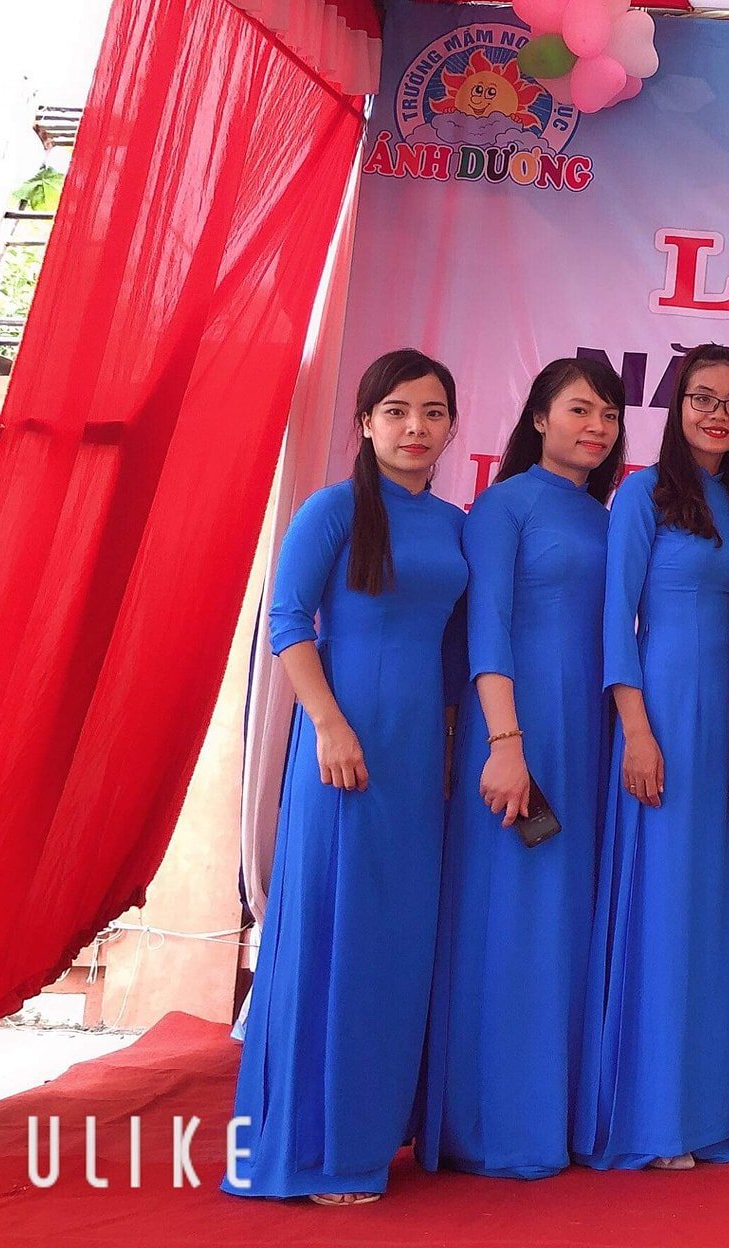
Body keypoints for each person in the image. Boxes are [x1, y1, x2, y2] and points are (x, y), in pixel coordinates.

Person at [225, 350, 467, 1204]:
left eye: (432, 412)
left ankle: (370, 1133)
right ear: (366, 423)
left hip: (419, 755)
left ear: (451, 426)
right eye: (396, 411)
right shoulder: (332, 510)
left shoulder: (453, 524)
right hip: (344, 747)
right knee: (337, 935)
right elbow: (288, 621)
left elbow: (454, 651)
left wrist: (453, 747)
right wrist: (327, 723)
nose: (414, 427)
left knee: (398, 944)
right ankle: (314, 1148)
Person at [575, 343, 729, 1170]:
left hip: (728, 728)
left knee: (710, 912)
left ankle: (697, 1115)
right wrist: (636, 729)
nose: (718, 414)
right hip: (661, 714)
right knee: (660, 908)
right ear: (677, 404)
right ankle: (648, 1120)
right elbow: (614, 618)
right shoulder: (643, 493)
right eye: (703, 398)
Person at [420, 356, 624, 1179]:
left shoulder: (606, 518)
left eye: (608, 414)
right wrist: (505, 743)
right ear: (539, 418)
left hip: (592, 734)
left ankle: (558, 1114)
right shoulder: (503, 506)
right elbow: (487, 629)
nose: (596, 426)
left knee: (568, 918)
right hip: (518, 729)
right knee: (510, 913)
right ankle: (493, 1124)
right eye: (579, 409)